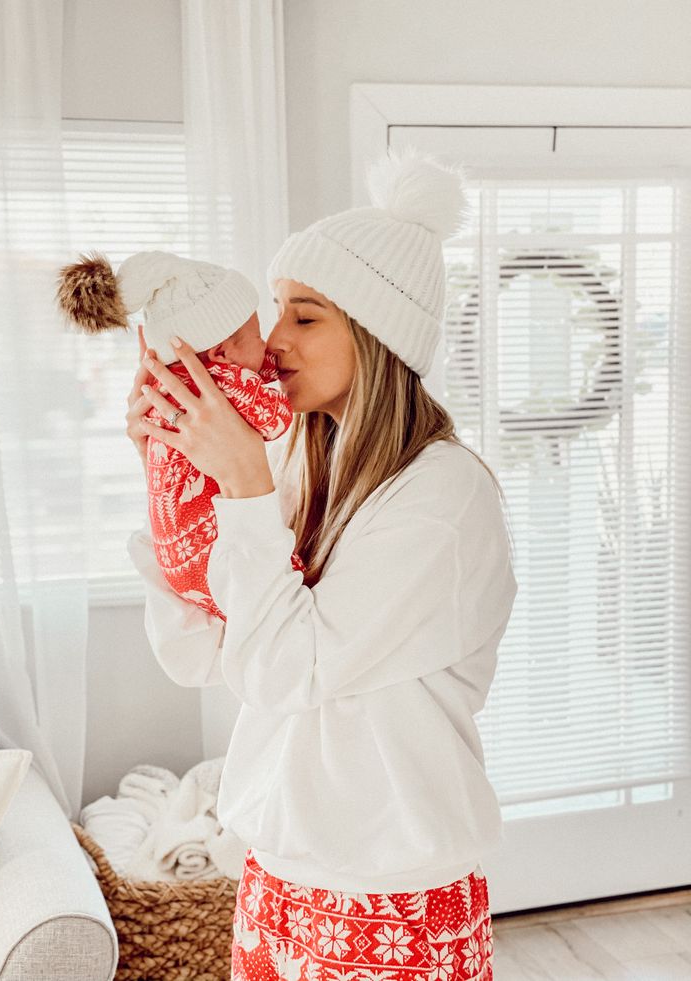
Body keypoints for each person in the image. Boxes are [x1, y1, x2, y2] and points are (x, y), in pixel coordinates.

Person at [124, 145, 517, 981]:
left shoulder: (443, 502)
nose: (271, 339)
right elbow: (198, 651)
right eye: (274, 309)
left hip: (391, 898)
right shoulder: (302, 465)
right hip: (276, 873)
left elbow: (277, 668)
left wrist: (238, 479)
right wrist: (174, 474)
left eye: (306, 315)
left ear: (377, 335)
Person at [55, 250, 304, 620]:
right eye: (256, 335)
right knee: (293, 586)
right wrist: (266, 375)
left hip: (175, 560)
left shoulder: (164, 387)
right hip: (209, 556)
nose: (267, 345)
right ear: (221, 354)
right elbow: (275, 420)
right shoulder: (220, 383)